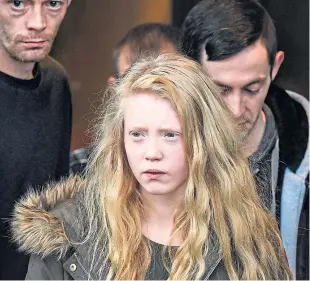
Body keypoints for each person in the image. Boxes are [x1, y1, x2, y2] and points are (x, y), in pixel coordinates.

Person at [12, 54, 292, 280]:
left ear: (205, 141)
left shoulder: (248, 235)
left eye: (171, 135)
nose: (152, 153)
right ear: (119, 140)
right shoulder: (69, 231)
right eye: (137, 134)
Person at [181, 0, 308, 279]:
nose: (237, 109)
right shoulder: (158, 150)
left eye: (252, 88)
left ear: (275, 68)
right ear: (190, 75)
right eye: (221, 90)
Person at [0, 0, 72, 279]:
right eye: (18, 3)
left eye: (52, 4)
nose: (38, 23)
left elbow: (56, 193)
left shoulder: (57, 82)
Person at [70, 22, 181, 175]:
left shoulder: (211, 171)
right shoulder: (80, 169)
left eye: (162, 82)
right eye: (132, 82)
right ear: (114, 88)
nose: (148, 95)